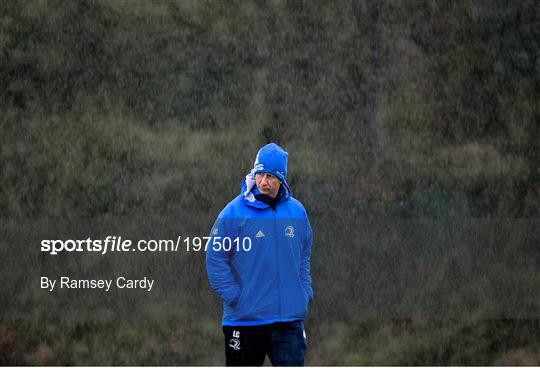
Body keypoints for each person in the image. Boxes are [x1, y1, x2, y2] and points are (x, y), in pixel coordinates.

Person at [206, 142, 314, 366]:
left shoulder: (297, 211)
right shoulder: (233, 213)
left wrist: (303, 292)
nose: (264, 182)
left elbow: (304, 254)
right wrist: (236, 296)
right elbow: (215, 257)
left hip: (288, 323)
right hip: (245, 322)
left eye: (271, 177)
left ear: (282, 179)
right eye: (260, 174)